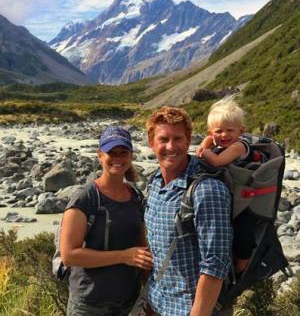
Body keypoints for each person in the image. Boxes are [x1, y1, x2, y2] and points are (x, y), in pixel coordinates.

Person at [144, 106, 232, 316]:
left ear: (189, 140)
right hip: (156, 303)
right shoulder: (154, 182)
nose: (171, 146)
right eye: (163, 139)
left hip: (190, 310)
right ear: (151, 143)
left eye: (178, 139)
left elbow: (216, 263)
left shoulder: (207, 190)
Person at [60, 125, 153, 316]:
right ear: (100, 155)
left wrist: (149, 293)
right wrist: (123, 256)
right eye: (112, 152)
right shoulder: (85, 198)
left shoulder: (135, 196)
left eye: (123, 152)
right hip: (89, 305)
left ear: (131, 156)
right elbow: (69, 255)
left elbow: (141, 245)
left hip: (129, 301)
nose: (118, 158)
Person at [196, 98, 256, 273]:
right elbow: (209, 145)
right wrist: (207, 142)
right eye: (218, 131)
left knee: (243, 232)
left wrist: (205, 150)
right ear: (210, 132)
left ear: (241, 131)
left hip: (244, 200)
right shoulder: (221, 142)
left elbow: (216, 162)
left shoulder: (239, 146)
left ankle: (243, 264)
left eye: (230, 130)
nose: (224, 135)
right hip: (230, 195)